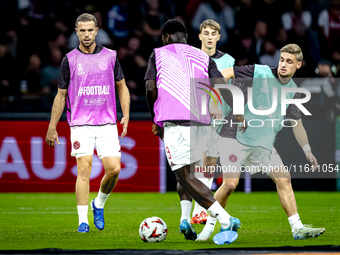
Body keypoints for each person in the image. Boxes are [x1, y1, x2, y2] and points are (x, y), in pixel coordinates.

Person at [197, 44, 326, 241]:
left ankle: (297, 228)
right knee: (230, 184)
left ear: (298, 65)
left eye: (289, 61)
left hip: (263, 145)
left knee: (284, 179)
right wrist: (215, 101)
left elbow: (297, 125)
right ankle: (207, 230)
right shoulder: (259, 71)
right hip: (235, 136)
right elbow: (225, 72)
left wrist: (307, 150)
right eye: (282, 59)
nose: (283, 64)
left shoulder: (293, 90)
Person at [145, 19, 241, 244]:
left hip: (176, 122)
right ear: (187, 37)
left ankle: (226, 220)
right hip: (203, 124)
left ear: (167, 36)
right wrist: (237, 112)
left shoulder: (158, 54)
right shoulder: (204, 57)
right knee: (194, 175)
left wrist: (155, 119)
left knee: (184, 176)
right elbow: (221, 86)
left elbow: (150, 88)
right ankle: (191, 219)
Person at [45, 13, 130, 233]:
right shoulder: (70, 59)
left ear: (97, 30)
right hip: (81, 123)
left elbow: (122, 87)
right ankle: (83, 221)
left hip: (107, 122)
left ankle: (98, 204)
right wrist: (52, 127)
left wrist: (126, 115)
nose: (86, 34)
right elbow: (61, 95)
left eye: (90, 30)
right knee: (84, 170)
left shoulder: (110, 56)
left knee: (114, 170)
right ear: (76, 32)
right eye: (82, 30)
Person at [190, 19, 236, 227]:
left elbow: (228, 89)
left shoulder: (228, 60)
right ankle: (195, 211)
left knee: (209, 164)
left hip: (220, 120)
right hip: (196, 117)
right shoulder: (191, 57)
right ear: (200, 36)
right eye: (205, 33)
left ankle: (199, 211)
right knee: (198, 165)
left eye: (213, 34)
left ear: (218, 37)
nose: (209, 37)